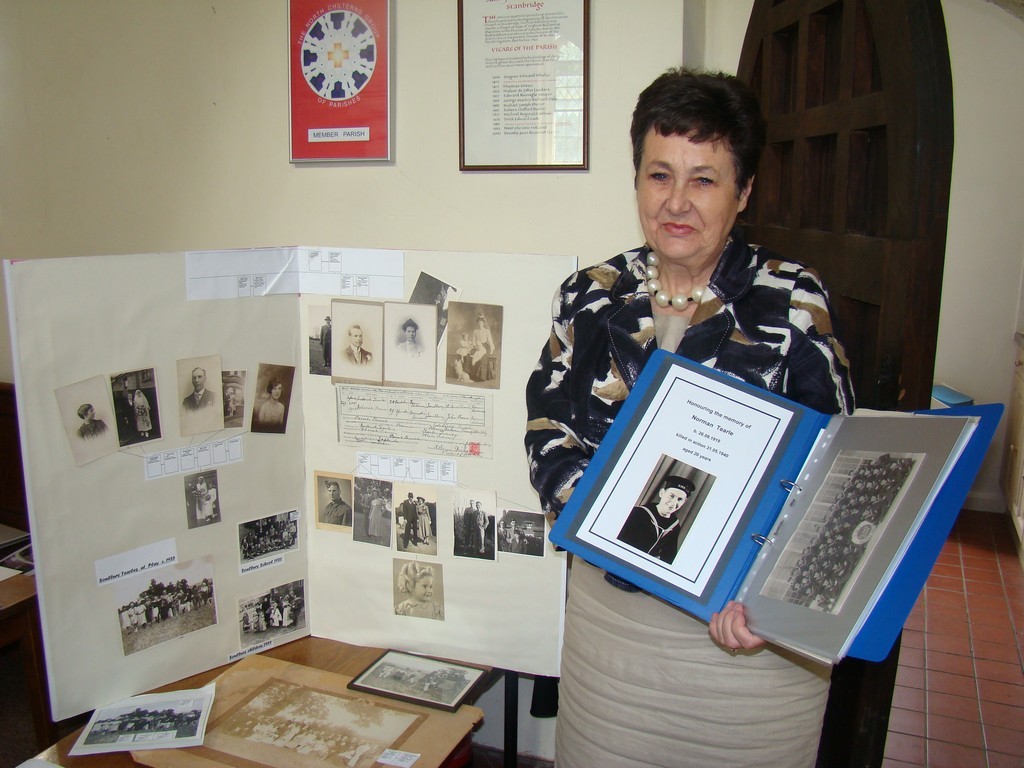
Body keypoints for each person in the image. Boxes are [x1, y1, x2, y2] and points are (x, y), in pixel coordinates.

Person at [524, 68, 855, 767]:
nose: (676, 201)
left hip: (737, 645)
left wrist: (774, 601)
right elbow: (547, 430)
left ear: (745, 191)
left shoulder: (792, 302)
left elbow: (833, 471)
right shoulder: (590, 296)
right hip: (611, 634)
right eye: (658, 174)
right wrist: (604, 517)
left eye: (704, 179)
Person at [617, 474, 695, 563]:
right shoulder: (638, 513)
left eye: (680, 499)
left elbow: (668, 556)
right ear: (662, 493)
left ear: (684, 502)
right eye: (671, 496)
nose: (674, 503)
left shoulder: (675, 526)